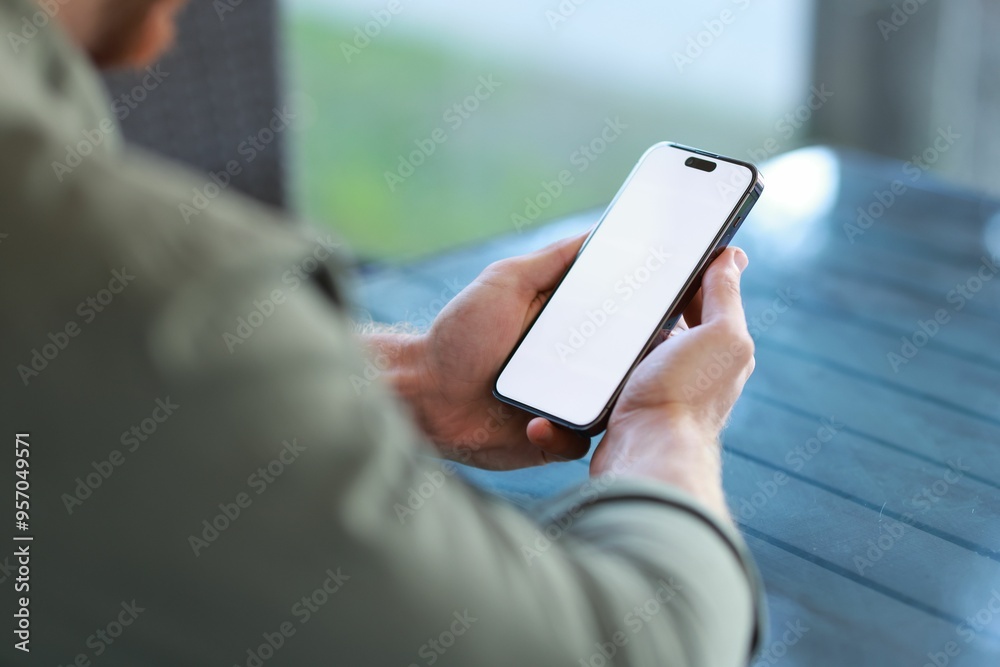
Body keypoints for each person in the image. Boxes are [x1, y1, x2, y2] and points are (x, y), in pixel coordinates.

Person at [0, 0, 763, 665]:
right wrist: (665, 426)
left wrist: (419, 380)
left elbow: (97, 417)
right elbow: (629, 648)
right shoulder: (141, 287)